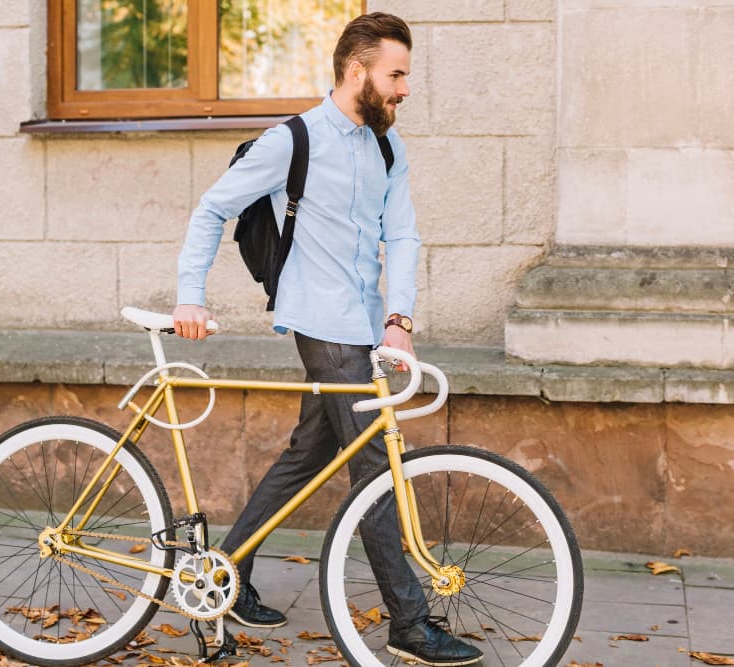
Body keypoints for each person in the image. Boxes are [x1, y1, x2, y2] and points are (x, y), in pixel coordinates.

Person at [172, 12, 482, 667]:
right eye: (395, 74)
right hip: (321, 320)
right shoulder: (295, 140)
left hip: (365, 324)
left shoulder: (388, 148)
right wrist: (189, 296)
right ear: (357, 70)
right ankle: (409, 621)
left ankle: (226, 572)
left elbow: (402, 235)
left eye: (406, 75)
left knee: (307, 453)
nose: (404, 88)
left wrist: (399, 318)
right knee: (372, 468)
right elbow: (211, 207)